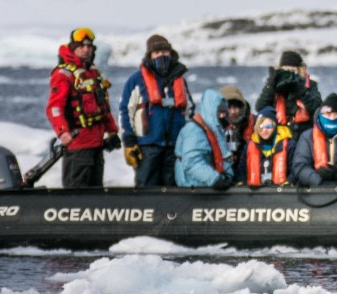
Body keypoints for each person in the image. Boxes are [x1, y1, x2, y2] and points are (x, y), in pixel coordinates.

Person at [45, 27, 120, 188]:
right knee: (76, 192)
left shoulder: (93, 73)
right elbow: (54, 108)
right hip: (78, 145)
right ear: (73, 48)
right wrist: (63, 132)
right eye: (81, 46)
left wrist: (112, 130)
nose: (86, 50)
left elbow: (103, 105)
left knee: (95, 192)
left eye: (89, 46)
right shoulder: (64, 74)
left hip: (97, 144)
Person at [118, 34, 192, 186]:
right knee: (146, 189)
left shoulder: (180, 80)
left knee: (173, 188)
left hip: (174, 146)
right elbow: (126, 111)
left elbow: (189, 111)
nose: (161, 56)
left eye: (165, 52)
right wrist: (129, 140)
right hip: (147, 146)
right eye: (157, 53)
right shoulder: (136, 80)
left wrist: (189, 138)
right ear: (150, 56)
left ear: (171, 54)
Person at [174, 89, 236, 189]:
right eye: (220, 113)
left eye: (225, 113)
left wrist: (228, 175)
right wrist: (215, 179)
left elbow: (224, 156)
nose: (223, 116)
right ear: (211, 111)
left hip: (208, 184)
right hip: (192, 186)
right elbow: (192, 163)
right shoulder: (194, 131)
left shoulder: (216, 130)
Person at [256, 50, 322, 140]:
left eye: (293, 71)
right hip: (279, 134)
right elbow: (260, 107)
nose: (289, 74)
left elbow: (317, 108)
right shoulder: (275, 85)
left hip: (302, 133)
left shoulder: (310, 85)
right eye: (286, 70)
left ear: (300, 71)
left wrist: (301, 91)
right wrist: (271, 84)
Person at [236, 106, 294, 187]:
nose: (264, 130)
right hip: (255, 195)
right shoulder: (248, 147)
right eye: (260, 126)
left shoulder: (289, 145)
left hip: (281, 193)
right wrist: (243, 184)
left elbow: (294, 170)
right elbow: (241, 171)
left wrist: (289, 182)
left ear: (275, 126)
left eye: (268, 126)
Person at [218, 85, 254, 168]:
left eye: (236, 107)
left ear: (242, 107)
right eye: (229, 108)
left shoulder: (254, 123)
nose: (233, 112)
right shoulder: (215, 128)